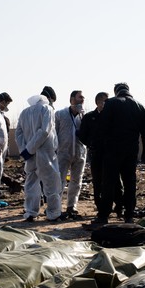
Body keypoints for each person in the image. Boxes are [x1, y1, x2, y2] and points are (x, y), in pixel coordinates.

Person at [88, 83, 145, 226]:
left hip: (113, 150)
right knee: (130, 183)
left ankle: (104, 216)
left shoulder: (111, 103)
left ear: (116, 92)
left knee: (108, 183)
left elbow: (102, 127)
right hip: (131, 151)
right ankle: (129, 215)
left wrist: (96, 146)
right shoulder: (140, 106)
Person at [15, 86, 66, 222]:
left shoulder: (24, 112)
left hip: (29, 155)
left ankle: (31, 212)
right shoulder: (47, 109)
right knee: (52, 183)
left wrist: (25, 150)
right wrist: (31, 148)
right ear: (49, 99)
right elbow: (44, 131)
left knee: (31, 183)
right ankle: (54, 213)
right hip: (46, 153)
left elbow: (18, 133)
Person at [78, 92, 123, 216]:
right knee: (98, 182)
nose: (106, 104)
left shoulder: (113, 117)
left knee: (116, 182)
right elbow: (82, 135)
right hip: (97, 154)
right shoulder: (89, 117)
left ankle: (119, 206)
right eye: (104, 101)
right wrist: (91, 144)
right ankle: (101, 208)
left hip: (112, 153)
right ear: (97, 102)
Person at [55, 90, 87, 219]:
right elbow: (54, 133)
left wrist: (83, 115)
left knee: (76, 180)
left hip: (80, 153)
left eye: (83, 97)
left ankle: (71, 206)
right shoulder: (60, 114)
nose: (82, 99)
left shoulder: (84, 116)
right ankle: (56, 206)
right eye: (80, 97)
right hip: (63, 152)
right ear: (72, 99)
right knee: (59, 180)